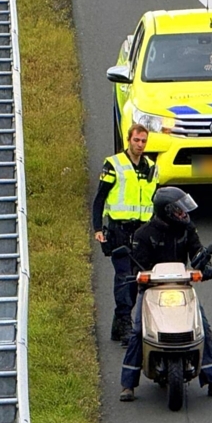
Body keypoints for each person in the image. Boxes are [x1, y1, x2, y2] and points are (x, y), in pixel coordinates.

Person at [119, 187, 212, 402]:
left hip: (182, 287)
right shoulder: (143, 235)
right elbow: (136, 266)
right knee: (139, 330)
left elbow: (197, 251)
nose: (183, 215)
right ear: (166, 211)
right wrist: (139, 276)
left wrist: (205, 264)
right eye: (179, 211)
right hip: (152, 290)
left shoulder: (187, 230)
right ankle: (128, 384)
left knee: (203, 327)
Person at [92, 124, 158, 344]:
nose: (140, 145)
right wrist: (98, 229)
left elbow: (154, 199)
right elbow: (100, 198)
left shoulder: (151, 167)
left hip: (142, 233)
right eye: (136, 140)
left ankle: (119, 326)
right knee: (124, 278)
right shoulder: (114, 164)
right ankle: (124, 324)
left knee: (139, 279)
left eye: (143, 141)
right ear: (128, 140)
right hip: (119, 230)